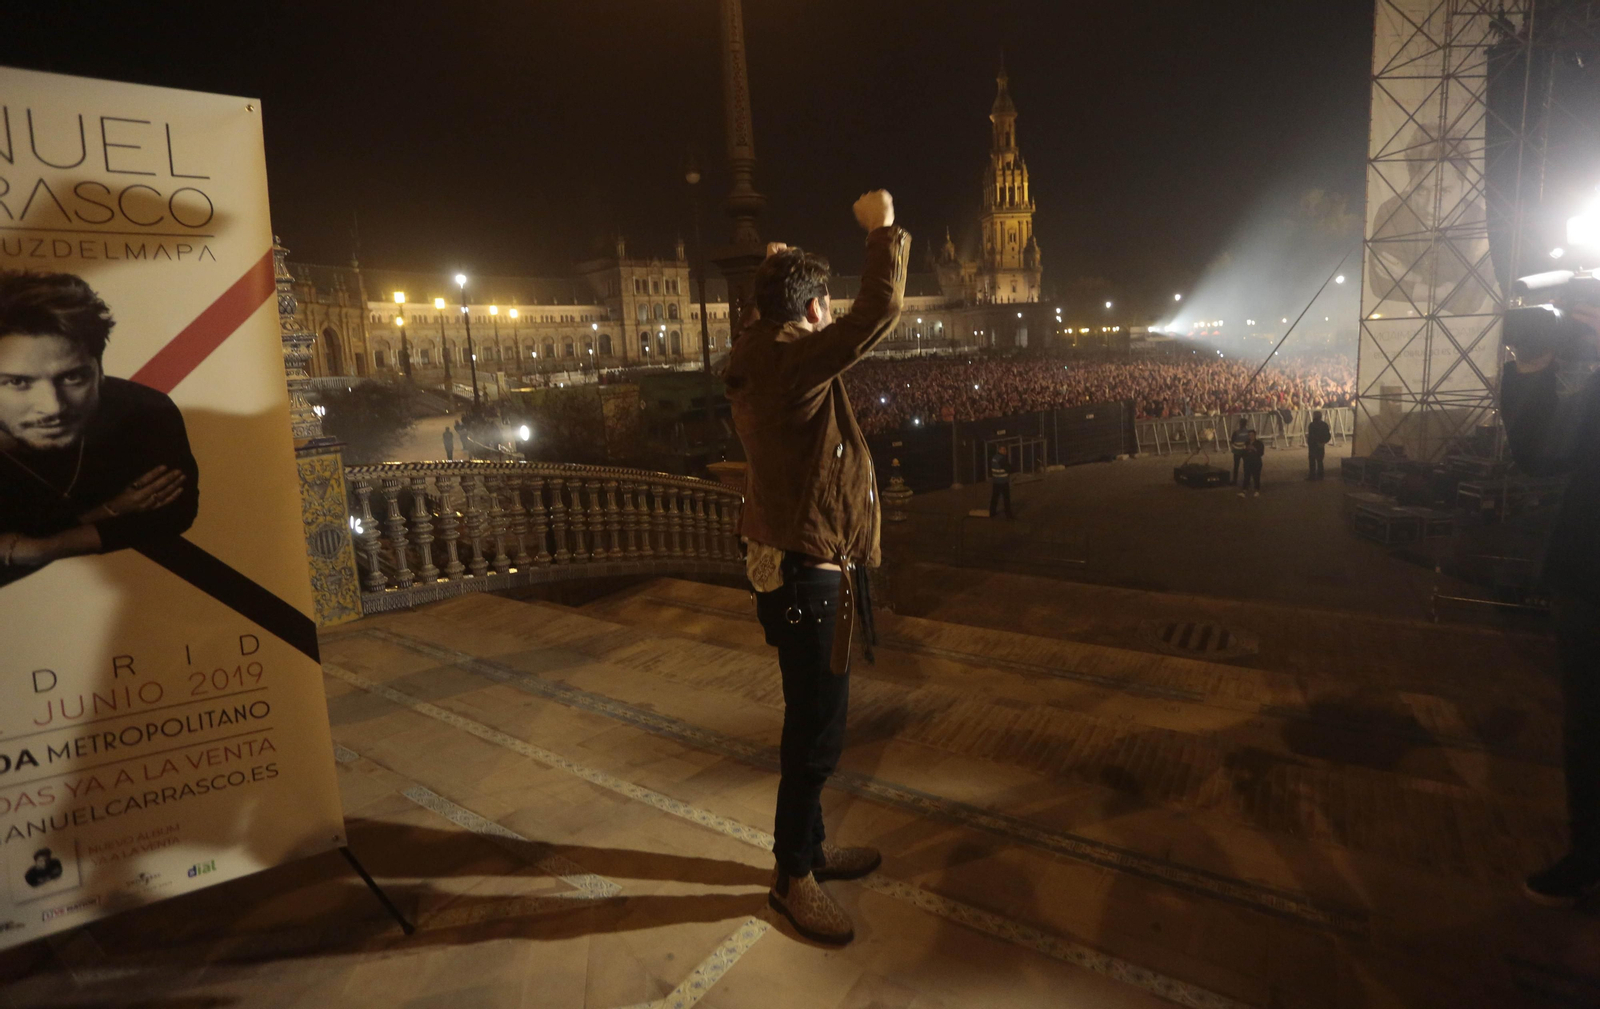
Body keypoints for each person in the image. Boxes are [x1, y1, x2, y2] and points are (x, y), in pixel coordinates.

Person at [723, 190, 908, 945]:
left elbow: (779, 313)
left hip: (793, 565)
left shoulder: (761, 350)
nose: (830, 311)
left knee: (810, 720)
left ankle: (813, 851)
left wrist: (778, 274)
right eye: (820, 303)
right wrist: (882, 232)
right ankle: (792, 877)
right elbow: (875, 317)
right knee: (817, 736)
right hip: (813, 574)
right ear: (803, 315)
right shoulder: (791, 367)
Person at [0, 271, 198, 589]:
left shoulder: (144, 410)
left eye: (73, 377)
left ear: (99, 370)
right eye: (18, 382)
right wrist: (110, 510)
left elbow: (174, 514)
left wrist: (40, 547)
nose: (53, 406)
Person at [1501, 297, 1600, 906]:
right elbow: (1541, 455)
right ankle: (1589, 855)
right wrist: (1537, 362)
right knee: (1588, 727)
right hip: (1590, 574)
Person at [988, 447, 1014, 519]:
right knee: (1006, 498)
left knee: (994, 497)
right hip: (1003, 481)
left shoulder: (994, 458)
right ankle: (1008, 515)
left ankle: (992, 512)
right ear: (999, 450)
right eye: (1004, 449)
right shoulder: (1002, 459)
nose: (1005, 451)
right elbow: (1009, 469)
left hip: (996, 481)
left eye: (1005, 449)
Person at [1306, 410, 1331, 480]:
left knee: (1312, 461)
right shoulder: (1324, 425)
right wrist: (1323, 442)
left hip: (1313, 445)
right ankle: (1320, 476)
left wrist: (1310, 442)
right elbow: (1328, 435)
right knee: (1320, 461)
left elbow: (1311, 435)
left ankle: (1312, 476)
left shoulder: (1312, 425)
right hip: (1321, 445)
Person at [1238, 429, 1263, 497]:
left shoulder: (1259, 443)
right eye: (1249, 435)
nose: (1250, 436)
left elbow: (1261, 453)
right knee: (1246, 476)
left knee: (1256, 476)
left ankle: (1257, 490)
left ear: (1255, 435)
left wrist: (1254, 449)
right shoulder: (1246, 443)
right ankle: (1244, 490)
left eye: (1252, 435)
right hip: (1247, 462)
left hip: (1256, 462)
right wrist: (1246, 450)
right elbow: (1242, 453)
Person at [1229, 416, 1250, 485]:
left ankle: (1235, 481)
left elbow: (1232, 441)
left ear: (1240, 424)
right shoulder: (1248, 432)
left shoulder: (1236, 432)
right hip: (1245, 451)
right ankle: (1247, 481)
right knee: (1246, 466)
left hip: (1237, 451)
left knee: (1236, 466)